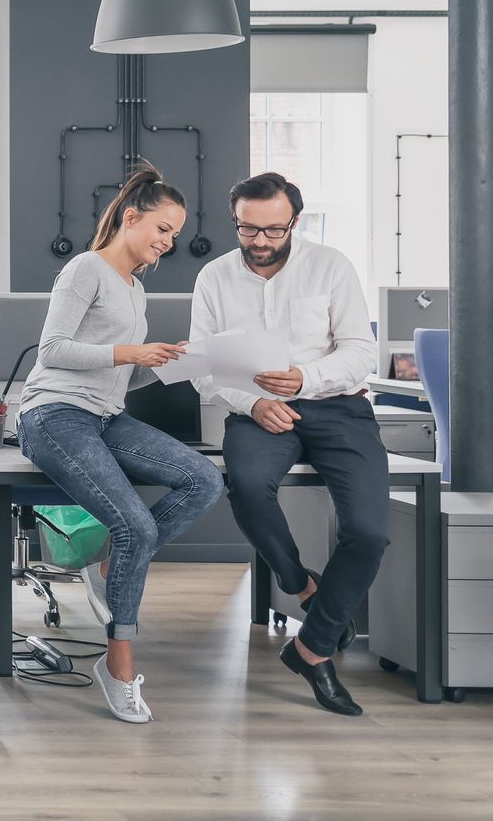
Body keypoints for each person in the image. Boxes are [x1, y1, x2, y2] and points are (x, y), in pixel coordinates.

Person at [16, 162, 225, 725]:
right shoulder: (86, 269)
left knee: (205, 480)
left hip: (106, 415)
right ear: (130, 217)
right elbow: (53, 350)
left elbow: (121, 377)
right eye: (161, 229)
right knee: (136, 525)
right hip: (54, 413)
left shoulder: (135, 289)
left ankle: (109, 570)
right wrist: (133, 352)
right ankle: (119, 665)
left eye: (174, 235)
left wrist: (165, 363)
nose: (167, 242)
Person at [190, 172, 383, 717]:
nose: (260, 241)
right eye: (249, 229)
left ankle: (312, 647)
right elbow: (205, 367)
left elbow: (360, 351)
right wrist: (251, 402)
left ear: (293, 221)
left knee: (369, 533)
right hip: (256, 408)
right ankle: (299, 584)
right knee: (247, 485)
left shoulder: (330, 267)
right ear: (236, 221)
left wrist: (306, 379)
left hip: (336, 405)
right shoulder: (215, 277)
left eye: (274, 229)